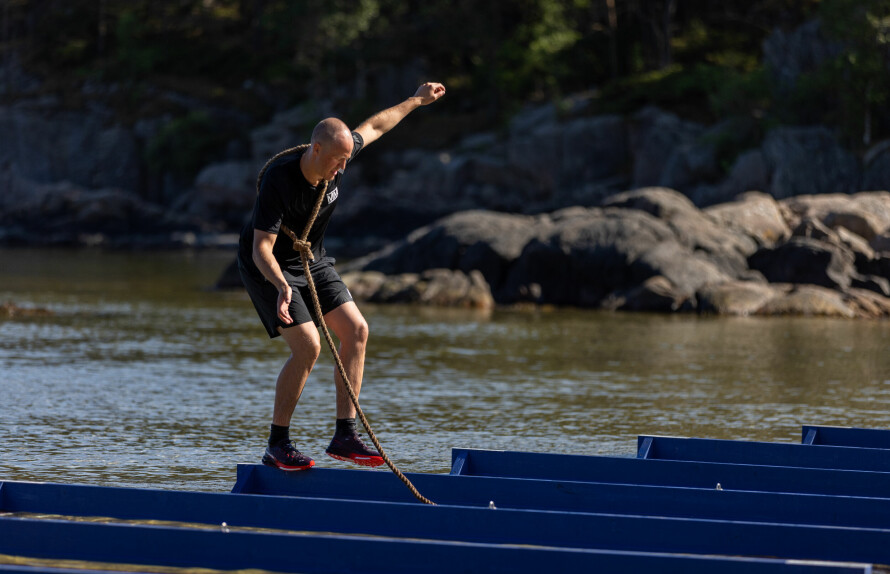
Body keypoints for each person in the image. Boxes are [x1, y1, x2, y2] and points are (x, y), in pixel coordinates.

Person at [237, 82, 446, 471]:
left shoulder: (340, 152)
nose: (342, 168)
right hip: (269, 266)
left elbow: (377, 126)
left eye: (347, 159)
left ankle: (344, 435)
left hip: (312, 260)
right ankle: (277, 444)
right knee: (308, 346)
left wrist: (417, 100)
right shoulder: (279, 180)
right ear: (316, 149)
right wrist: (282, 286)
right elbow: (260, 248)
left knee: (357, 330)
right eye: (336, 160)